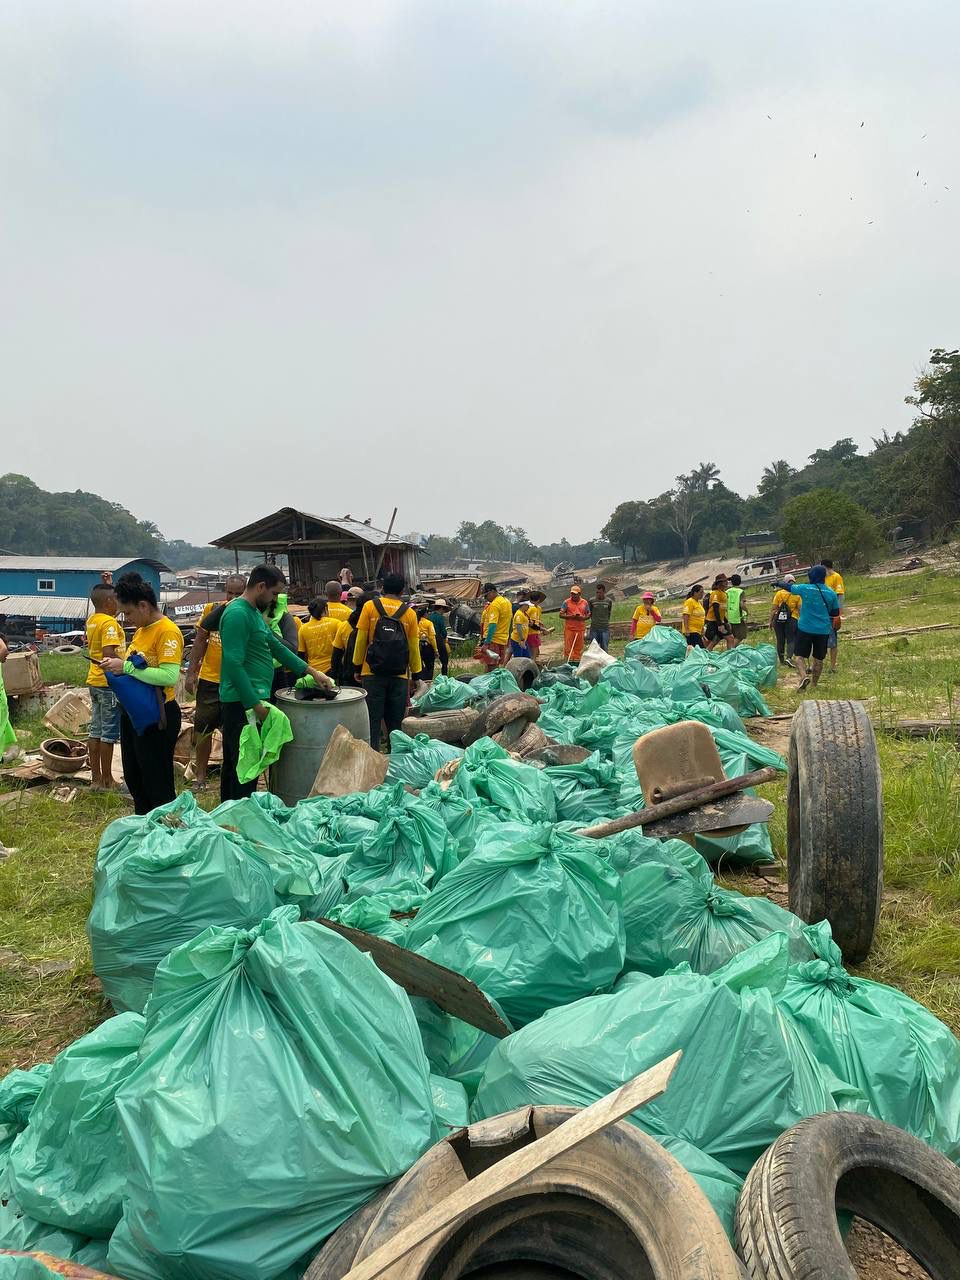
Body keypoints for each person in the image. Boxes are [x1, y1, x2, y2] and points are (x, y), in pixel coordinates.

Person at [218, 564, 333, 802]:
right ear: (260, 587)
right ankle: (235, 820)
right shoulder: (237, 614)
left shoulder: (252, 613)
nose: (275, 600)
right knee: (243, 767)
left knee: (242, 765)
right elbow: (233, 663)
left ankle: (234, 818)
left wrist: (312, 672)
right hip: (242, 702)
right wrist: (254, 704)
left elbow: (276, 647)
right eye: (274, 594)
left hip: (251, 700)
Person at [99, 573, 184, 816]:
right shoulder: (141, 630)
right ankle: (145, 833)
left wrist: (125, 667)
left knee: (157, 784)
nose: (127, 619)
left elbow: (169, 676)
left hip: (157, 716)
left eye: (128, 613)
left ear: (143, 605)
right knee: (136, 779)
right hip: (134, 714)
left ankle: (167, 837)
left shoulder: (167, 631)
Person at [183, 574, 246, 791]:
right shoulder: (212, 610)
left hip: (236, 682)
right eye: (230, 592)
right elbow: (200, 640)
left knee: (234, 733)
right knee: (203, 729)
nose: (233, 597)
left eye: (238, 593)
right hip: (210, 680)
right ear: (225, 591)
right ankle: (200, 777)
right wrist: (191, 673)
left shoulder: (247, 612)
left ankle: (231, 778)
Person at [352, 571, 423, 751]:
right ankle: (395, 758)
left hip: (372, 672)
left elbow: (361, 640)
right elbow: (414, 647)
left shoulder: (370, 606)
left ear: (382, 588)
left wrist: (356, 666)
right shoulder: (410, 613)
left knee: (373, 719)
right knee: (395, 721)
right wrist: (416, 674)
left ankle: (374, 754)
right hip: (399, 675)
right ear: (402, 590)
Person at [85, 581, 125, 790]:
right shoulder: (109, 624)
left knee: (95, 730)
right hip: (108, 683)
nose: (120, 605)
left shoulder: (92, 620)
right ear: (109, 602)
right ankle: (109, 779)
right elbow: (109, 654)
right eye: (117, 600)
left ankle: (95, 779)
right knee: (108, 733)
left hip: (94, 680)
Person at [774, 564, 839, 691]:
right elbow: (835, 614)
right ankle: (814, 685)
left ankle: (804, 676)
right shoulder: (831, 593)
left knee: (799, 656)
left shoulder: (804, 588)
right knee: (818, 659)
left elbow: (789, 587)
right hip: (823, 630)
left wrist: (778, 583)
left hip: (805, 628)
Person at [266, 591, 301, 699]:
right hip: (257, 673)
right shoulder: (245, 614)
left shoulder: (285, 618)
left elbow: (292, 649)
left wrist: (265, 629)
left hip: (280, 671)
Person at [330, 586, 367, 685]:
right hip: (369, 673)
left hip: (349, 673)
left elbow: (336, 654)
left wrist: (334, 676)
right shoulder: (372, 624)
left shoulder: (344, 625)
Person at [298, 597, 343, 677]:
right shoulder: (336, 623)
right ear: (325, 609)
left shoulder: (303, 629)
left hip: (313, 672)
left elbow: (301, 653)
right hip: (334, 670)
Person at [478, 583, 513, 670]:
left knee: (490, 668)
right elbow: (510, 621)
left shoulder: (494, 605)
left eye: (486, 596)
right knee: (496, 666)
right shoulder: (507, 602)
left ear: (492, 592)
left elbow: (492, 625)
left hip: (493, 640)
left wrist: (486, 642)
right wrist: (508, 637)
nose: (486, 598)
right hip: (503, 640)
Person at [769, 575, 801, 667]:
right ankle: (789, 658)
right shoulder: (797, 594)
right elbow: (800, 609)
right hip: (792, 619)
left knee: (780, 640)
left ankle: (782, 660)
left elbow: (774, 609)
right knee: (791, 639)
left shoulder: (779, 594)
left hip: (778, 619)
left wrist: (770, 621)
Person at [820, 559, 845, 673]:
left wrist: (838, 614)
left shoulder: (836, 577)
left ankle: (833, 666)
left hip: (831, 613)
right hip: (821, 613)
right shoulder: (821, 577)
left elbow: (839, 596)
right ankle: (818, 664)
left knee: (832, 641)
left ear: (826, 567)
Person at [559, 585, 590, 662]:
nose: (573, 595)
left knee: (578, 648)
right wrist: (571, 616)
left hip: (580, 629)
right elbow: (561, 615)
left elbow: (588, 614)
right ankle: (568, 662)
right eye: (572, 594)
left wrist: (583, 618)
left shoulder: (584, 602)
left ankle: (576, 662)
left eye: (575, 594)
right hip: (569, 629)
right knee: (568, 648)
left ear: (579, 594)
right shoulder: (566, 602)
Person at [704, 575, 729, 651]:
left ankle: (707, 650)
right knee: (709, 640)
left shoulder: (723, 593)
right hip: (713, 621)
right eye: (725, 581)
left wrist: (725, 621)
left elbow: (721, 610)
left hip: (720, 621)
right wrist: (720, 624)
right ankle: (704, 652)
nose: (727, 582)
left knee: (729, 638)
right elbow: (716, 609)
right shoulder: (715, 593)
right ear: (720, 583)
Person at [415, 602, 440, 679]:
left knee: (420, 665)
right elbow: (432, 638)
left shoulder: (416, 622)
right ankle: (428, 681)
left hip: (418, 645)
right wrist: (436, 650)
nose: (429, 614)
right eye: (428, 613)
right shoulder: (429, 623)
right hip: (427, 647)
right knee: (430, 665)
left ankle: (421, 679)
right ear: (425, 614)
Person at [428, 599, 451, 676]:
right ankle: (444, 677)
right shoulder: (440, 618)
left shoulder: (430, 617)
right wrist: (445, 638)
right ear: (441, 608)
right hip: (438, 639)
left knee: (430, 661)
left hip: (429, 639)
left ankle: (429, 678)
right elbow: (443, 631)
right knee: (444, 660)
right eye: (444, 609)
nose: (444, 611)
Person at [588, 583, 613, 652]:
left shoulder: (608, 601)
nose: (598, 594)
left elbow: (609, 613)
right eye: (597, 592)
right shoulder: (591, 601)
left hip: (605, 628)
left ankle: (604, 662)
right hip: (594, 628)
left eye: (600, 592)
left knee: (604, 648)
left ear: (604, 592)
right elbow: (590, 613)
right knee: (593, 648)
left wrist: (605, 621)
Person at [725, 574, 748, 649]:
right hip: (738, 617)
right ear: (740, 581)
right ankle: (730, 651)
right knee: (740, 636)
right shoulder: (741, 591)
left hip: (729, 616)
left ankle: (733, 651)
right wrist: (747, 611)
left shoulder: (727, 591)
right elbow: (742, 604)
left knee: (733, 636)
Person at [526, 591, 546, 663]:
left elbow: (533, 619)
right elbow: (531, 623)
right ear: (538, 600)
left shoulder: (537, 608)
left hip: (533, 632)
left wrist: (540, 622)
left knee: (536, 651)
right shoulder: (532, 608)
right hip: (532, 632)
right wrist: (542, 629)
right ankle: (532, 664)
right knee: (534, 653)